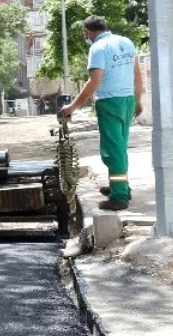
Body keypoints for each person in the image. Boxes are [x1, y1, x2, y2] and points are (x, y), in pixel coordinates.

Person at [60, 15, 143, 211]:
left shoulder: (97, 48)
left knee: (112, 152)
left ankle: (120, 198)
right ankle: (120, 186)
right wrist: (138, 100)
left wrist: (72, 106)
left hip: (109, 102)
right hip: (127, 100)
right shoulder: (126, 42)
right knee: (120, 148)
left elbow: (94, 82)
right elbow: (136, 74)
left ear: (87, 31)